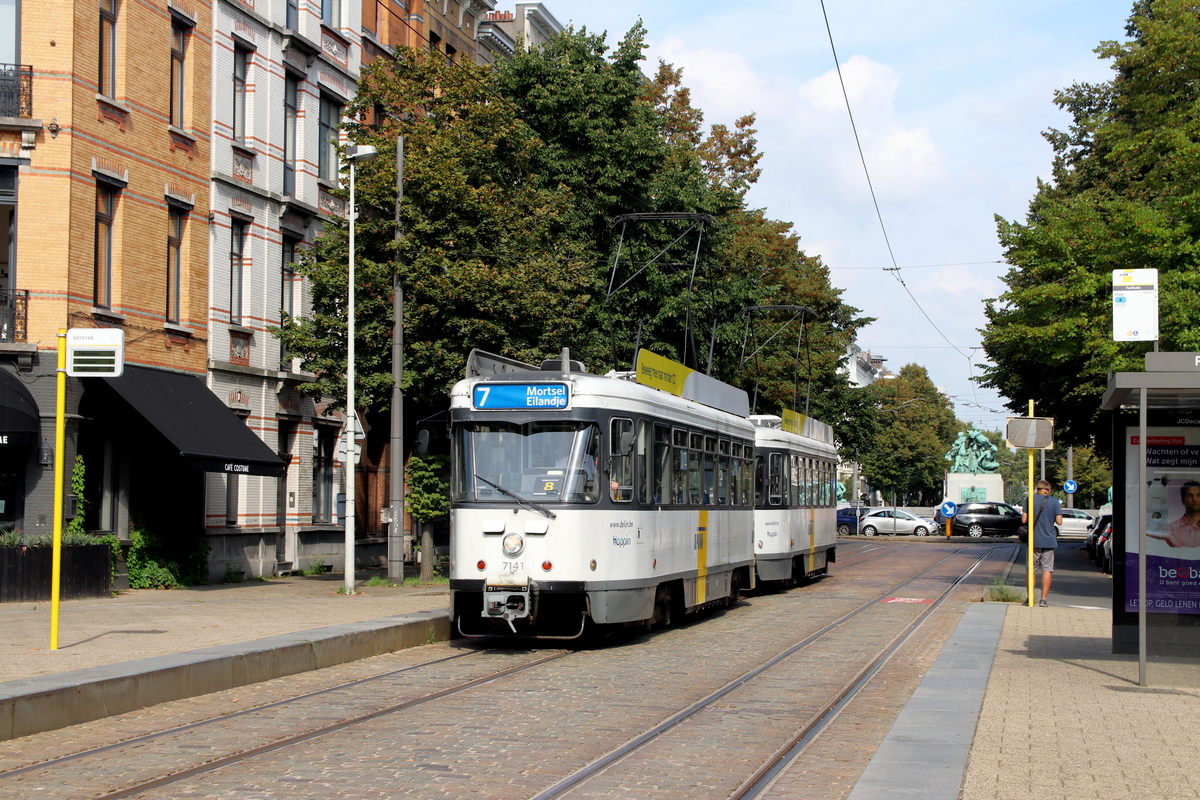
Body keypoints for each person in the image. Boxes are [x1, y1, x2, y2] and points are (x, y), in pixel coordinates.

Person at [1021, 479, 1062, 607]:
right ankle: (1043, 599)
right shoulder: (1055, 502)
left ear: (1037, 489)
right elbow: (1059, 522)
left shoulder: (1029, 499)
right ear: (1048, 490)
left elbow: (1024, 520)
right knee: (1047, 570)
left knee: (1031, 570)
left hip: (1034, 540)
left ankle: (1030, 598)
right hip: (1049, 541)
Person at [1149, 480, 1200, 548]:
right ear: (1182, 501)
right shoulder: (1170, 529)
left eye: (1199, 495)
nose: (1195, 499)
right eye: (1190, 496)